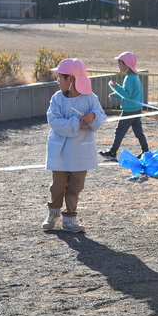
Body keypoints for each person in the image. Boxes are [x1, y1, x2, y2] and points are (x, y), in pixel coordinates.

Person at [42, 58, 107, 233]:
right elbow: (54, 120)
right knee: (58, 184)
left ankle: (70, 219)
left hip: (80, 149)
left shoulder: (90, 98)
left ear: (70, 79)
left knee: (75, 186)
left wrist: (92, 117)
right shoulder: (56, 98)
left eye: (60, 76)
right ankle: (53, 214)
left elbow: (101, 116)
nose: (57, 80)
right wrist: (76, 123)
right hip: (61, 150)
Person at [99, 52, 149, 160]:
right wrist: (116, 95)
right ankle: (146, 152)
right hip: (136, 110)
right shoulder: (134, 77)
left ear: (126, 64)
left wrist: (115, 87)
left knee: (119, 131)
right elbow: (130, 94)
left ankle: (112, 152)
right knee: (138, 132)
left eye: (120, 63)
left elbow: (126, 94)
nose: (118, 65)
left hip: (129, 111)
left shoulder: (129, 78)